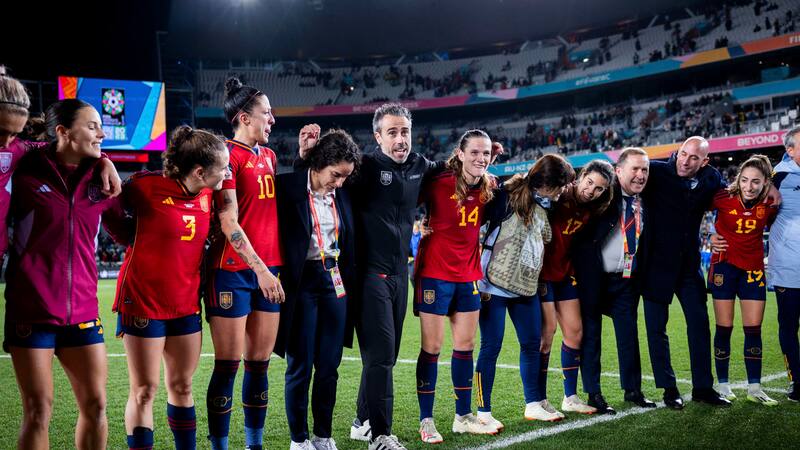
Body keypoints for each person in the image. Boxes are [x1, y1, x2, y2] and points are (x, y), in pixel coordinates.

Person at [298, 104, 444, 450]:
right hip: (368, 277)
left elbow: (453, 169)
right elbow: (321, 178)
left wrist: (483, 161)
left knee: (387, 356)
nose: (400, 139)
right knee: (379, 357)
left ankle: (361, 422)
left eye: (405, 131)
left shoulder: (419, 165)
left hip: (400, 276)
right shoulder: (363, 168)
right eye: (392, 132)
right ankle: (380, 435)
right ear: (378, 137)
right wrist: (305, 157)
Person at [4, 99, 117, 449]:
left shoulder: (99, 179)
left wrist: (105, 160)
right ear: (63, 131)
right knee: (38, 411)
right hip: (31, 311)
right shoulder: (23, 170)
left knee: (97, 406)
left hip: (83, 311)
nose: (101, 134)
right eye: (92, 126)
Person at [108, 126, 230, 450]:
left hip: (186, 305)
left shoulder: (209, 194)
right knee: (144, 390)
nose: (227, 173)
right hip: (143, 302)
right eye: (223, 167)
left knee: (182, 385)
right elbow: (110, 210)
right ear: (200, 171)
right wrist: (132, 238)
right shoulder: (144, 186)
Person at [205, 77, 285, 450]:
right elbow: (228, 221)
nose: (272, 120)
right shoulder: (225, 156)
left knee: (259, 364)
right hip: (233, 272)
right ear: (244, 117)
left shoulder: (269, 156)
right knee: (228, 365)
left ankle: (255, 445)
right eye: (266, 113)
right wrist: (261, 269)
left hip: (269, 270)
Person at [274, 129, 360, 450]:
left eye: (345, 176)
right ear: (319, 163)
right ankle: (299, 439)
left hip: (334, 280)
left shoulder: (344, 194)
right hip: (301, 283)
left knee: (329, 366)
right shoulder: (287, 188)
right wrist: (302, 157)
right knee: (300, 366)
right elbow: (300, 184)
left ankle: (323, 435)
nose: (340, 182)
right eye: (336, 174)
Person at [475, 154, 574, 428]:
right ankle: (483, 411)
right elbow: (474, 224)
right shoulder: (504, 197)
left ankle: (533, 404)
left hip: (526, 287)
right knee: (491, 347)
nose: (563, 191)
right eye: (560, 185)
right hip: (492, 286)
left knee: (531, 345)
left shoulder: (546, 206)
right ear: (548, 184)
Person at [413, 130, 498, 444]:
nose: (481, 158)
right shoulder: (438, 182)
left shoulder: (489, 187)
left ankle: (463, 417)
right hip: (434, 274)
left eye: (485, 153)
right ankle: (426, 420)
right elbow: (403, 201)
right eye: (474, 152)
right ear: (460, 154)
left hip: (468, 276)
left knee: (465, 346)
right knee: (432, 348)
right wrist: (416, 228)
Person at [639, 136, 732, 408]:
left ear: (704, 161)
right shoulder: (655, 171)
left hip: (689, 266)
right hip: (655, 266)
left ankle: (703, 387)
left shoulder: (711, 177)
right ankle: (669, 389)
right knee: (657, 329)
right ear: (678, 151)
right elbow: (623, 178)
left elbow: (729, 202)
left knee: (700, 324)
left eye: (694, 158)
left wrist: (717, 232)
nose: (686, 161)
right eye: (683, 154)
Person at [0, 72, 120, 262]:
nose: (6, 142)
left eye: (14, 134)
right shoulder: (20, 160)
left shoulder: (17, 150)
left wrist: (104, 160)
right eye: (1, 132)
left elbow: (56, 149)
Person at [573, 148, 657, 415]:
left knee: (628, 335)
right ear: (618, 171)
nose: (641, 175)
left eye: (645, 170)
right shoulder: (603, 195)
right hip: (594, 279)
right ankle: (594, 393)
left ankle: (633, 389)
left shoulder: (647, 200)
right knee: (591, 336)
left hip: (626, 280)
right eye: (635, 169)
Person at [538, 160, 614, 415]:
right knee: (546, 336)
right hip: (542, 273)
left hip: (566, 273)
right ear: (581, 176)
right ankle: (539, 399)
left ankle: (570, 397)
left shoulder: (594, 208)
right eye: (589, 182)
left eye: (599, 188)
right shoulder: (559, 193)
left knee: (575, 333)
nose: (591, 190)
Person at [707, 155, 778, 406]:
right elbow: (690, 210)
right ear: (738, 179)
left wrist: (774, 189)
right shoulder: (722, 197)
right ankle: (723, 384)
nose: (749, 186)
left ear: (765, 182)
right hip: (724, 267)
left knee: (753, 328)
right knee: (724, 327)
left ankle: (755, 388)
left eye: (755, 181)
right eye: (745, 180)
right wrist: (709, 235)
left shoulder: (771, 202)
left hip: (753, 270)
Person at [767, 126, 800, 401]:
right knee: (789, 326)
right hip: (789, 268)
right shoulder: (778, 176)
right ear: (790, 150)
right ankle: (797, 381)